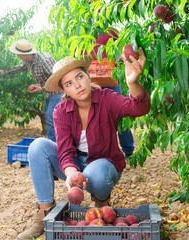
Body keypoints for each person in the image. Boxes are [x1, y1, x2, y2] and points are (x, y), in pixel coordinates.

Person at [17, 48, 150, 239]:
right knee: (38, 147)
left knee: (96, 173)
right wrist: (71, 174)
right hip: (76, 164)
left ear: (87, 76)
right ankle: (44, 217)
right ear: (64, 90)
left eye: (79, 77)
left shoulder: (106, 98)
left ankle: (102, 203)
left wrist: (132, 83)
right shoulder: (61, 110)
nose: (77, 85)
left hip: (104, 164)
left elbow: (140, 108)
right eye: (69, 83)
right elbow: (64, 151)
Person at [0, 39, 63, 142]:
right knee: (52, 118)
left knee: (51, 117)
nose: (17, 56)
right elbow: (19, 68)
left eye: (18, 54)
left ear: (25, 54)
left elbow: (58, 79)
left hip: (57, 92)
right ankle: (54, 143)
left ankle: (55, 145)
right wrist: (4, 72)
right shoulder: (28, 62)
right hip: (48, 93)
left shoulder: (44, 61)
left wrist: (42, 88)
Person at [89, 29, 135, 158]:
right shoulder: (86, 31)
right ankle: (106, 152)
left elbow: (124, 45)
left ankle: (128, 150)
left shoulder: (109, 30)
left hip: (109, 76)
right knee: (98, 117)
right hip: (93, 80)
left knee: (119, 113)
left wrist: (119, 59)